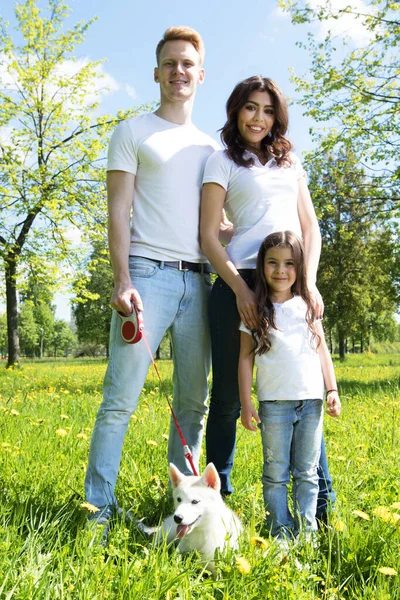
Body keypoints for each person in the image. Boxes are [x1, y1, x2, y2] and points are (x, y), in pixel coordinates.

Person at [84, 26, 226, 536]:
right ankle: (97, 512)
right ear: (156, 72)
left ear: (201, 74)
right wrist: (122, 278)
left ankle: (178, 515)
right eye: (170, 63)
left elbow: (213, 224)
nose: (179, 71)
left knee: (193, 402)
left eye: (188, 63)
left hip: (199, 282)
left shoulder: (213, 148)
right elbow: (118, 210)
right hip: (146, 276)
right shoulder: (132, 132)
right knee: (120, 398)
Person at [200, 75, 335, 519]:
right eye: (250, 108)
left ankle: (320, 504)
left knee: (304, 387)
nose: (259, 118)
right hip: (240, 281)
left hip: (288, 278)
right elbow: (208, 237)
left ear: (277, 116)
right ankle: (217, 501)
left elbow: (310, 227)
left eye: (268, 109)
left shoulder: (289, 161)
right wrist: (240, 290)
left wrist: (308, 281)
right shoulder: (222, 161)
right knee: (227, 398)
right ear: (236, 111)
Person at [238, 231, 341, 541]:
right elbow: (245, 358)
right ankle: (280, 533)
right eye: (272, 263)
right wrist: (246, 403)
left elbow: (322, 349)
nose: (281, 271)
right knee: (275, 474)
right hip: (274, 405)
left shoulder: (308, 304)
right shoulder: (254, 310)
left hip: (311, 402)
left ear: (300, 268)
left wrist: (332, 389)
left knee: (308, 473)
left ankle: (307, 534)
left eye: (289, 263)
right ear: (262, 266)